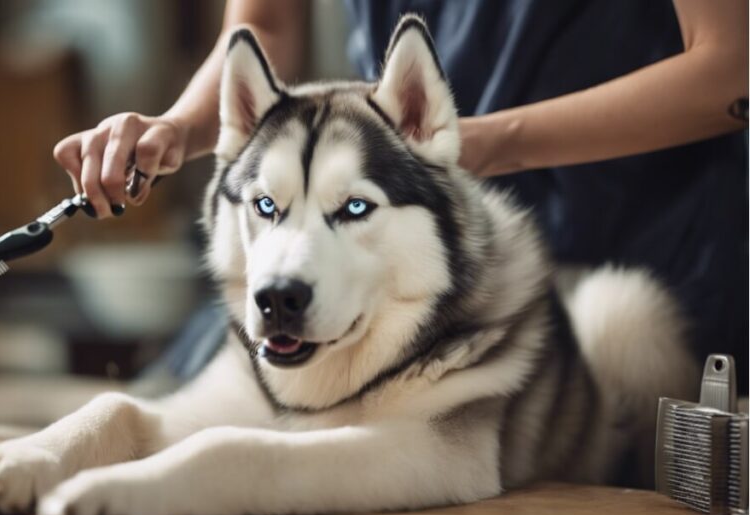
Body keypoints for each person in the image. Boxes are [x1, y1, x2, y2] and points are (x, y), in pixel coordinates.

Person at [52, 0, 748, 389]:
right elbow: (263, 25)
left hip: (634, 278)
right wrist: (176, 126)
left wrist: (489, 143)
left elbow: (731, 69)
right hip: (412, 286)